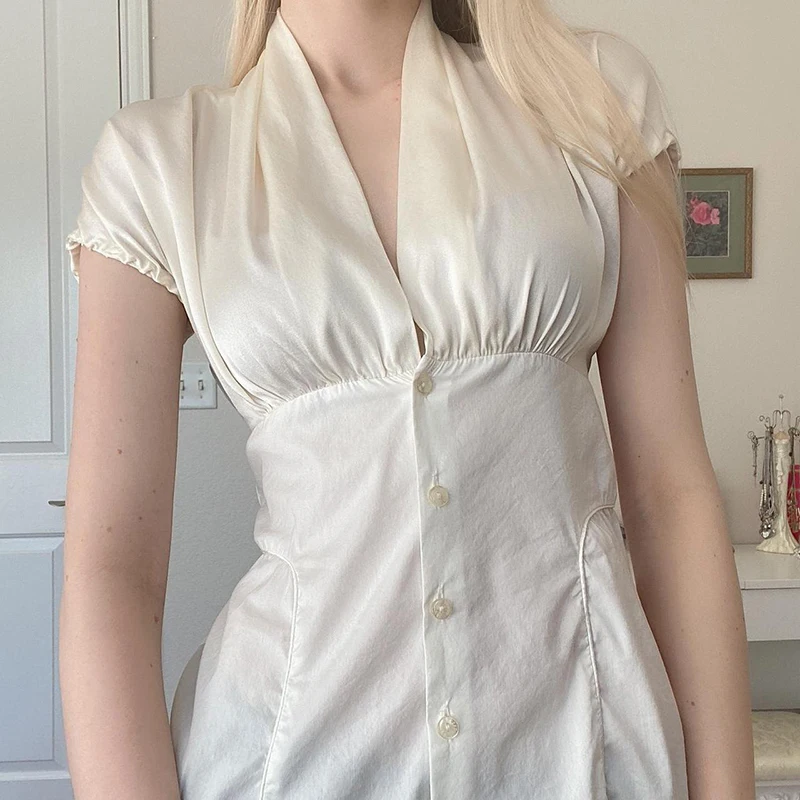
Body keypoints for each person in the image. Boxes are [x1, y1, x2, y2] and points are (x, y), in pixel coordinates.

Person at [60, 0, 755, 797]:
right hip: (286, 762)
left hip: (584, 754)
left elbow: (669, 496)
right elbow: (112, 570)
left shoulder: (593, 96)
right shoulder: (161, 161)